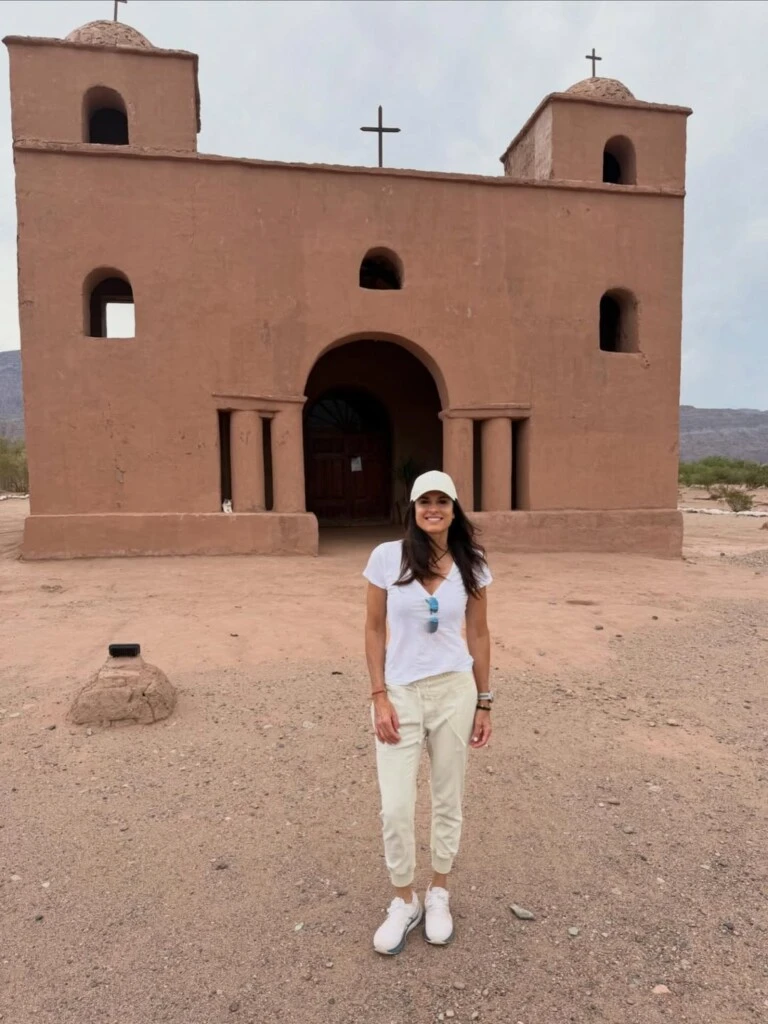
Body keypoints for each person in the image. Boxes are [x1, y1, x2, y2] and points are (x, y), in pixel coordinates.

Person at [363, 470, 493, 955]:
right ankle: (404, 899)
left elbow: (479, 634)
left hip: (455, 691)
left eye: (443, 501)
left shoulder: (471, 564)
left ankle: (439, 891)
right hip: (400, 691)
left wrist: (484, 701)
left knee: (447, 796)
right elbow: (373, 630)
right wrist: (378, 694)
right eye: (425, 501)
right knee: (395, 806)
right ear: (412, 508)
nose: (433, 509)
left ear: (455, 509)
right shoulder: (386, 558)